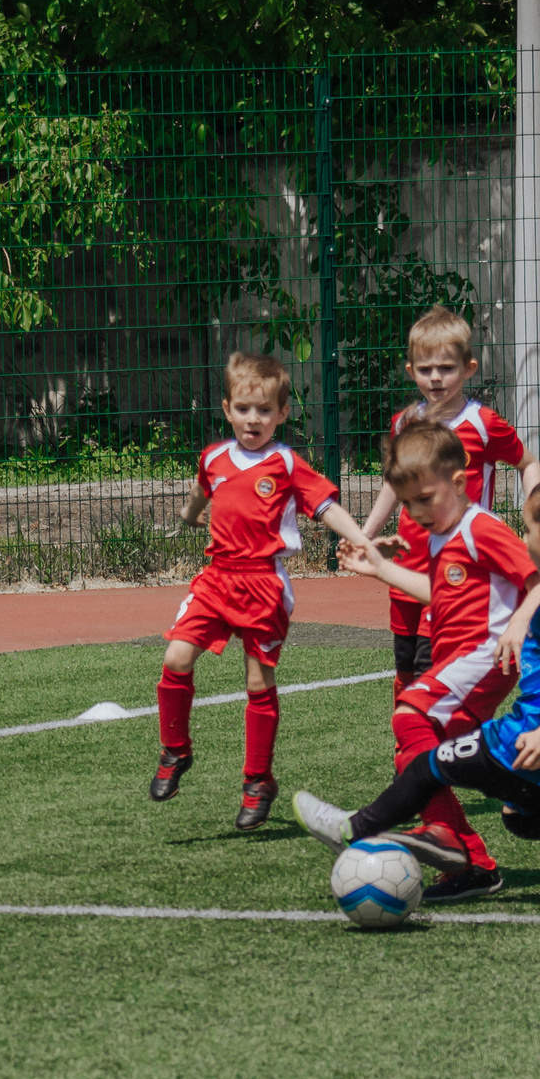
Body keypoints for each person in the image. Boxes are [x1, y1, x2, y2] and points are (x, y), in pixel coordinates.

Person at [296, 475, 540, 903]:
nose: (523, 540)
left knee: (429, 765)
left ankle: (352, 829)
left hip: (529, 738)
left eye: (527, 530)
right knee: (526, 818)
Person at [152, 352, 374, 830]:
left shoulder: (287, 463)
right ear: (228, 409)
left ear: (282, 414)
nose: (254, 420)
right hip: (217, 578)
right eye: (245, 409)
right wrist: (190, 518)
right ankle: (175, 750)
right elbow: (201, 491)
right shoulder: (213, 457)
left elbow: (326, 507)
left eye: (265, 411)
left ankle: (258, 781)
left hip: (264, 584)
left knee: (257, 682)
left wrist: (360, 540)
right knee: (175, 659)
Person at [331, 422, 540, 899]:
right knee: (417, 756)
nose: (415, 512)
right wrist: (381, 569)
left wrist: (519, 622)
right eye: (407, 504)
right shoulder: (442, 536)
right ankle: (473, 865)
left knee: (409, 715)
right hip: (459, 660)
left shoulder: (482, 527)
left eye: (425, 498)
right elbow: (440, 597)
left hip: (485, 653)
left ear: (461, 482)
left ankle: (426, 832)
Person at [357, 306, 540, 699]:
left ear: (468, 368)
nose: (436, 378)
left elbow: (528, 463)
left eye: (446, 368)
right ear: (411, 371)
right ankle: (409, 752)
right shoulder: (403, 423)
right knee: (406, 670)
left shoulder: (483, 422)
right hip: (409, 562)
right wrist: (366, 532)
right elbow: (395, 485)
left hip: (460, 568)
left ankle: (437, 749)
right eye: (425, 370)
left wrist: (534, 519)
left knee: (434, 669)